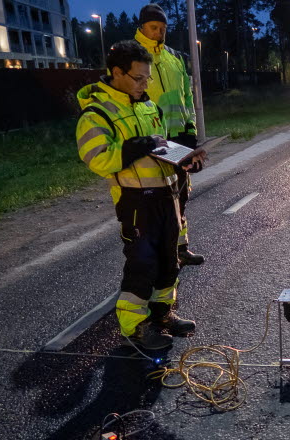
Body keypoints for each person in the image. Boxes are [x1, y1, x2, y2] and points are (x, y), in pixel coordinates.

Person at [76, 40, 200, 350]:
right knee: (142, 263)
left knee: (169, 260)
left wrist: (184, 160)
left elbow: (160, 149)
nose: (145, 84)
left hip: (166, 194)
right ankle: (135, 327)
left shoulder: (148, 105)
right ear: (117, 72)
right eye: (139, 78)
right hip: (135, 201)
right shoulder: (97, 113)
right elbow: (97, 158)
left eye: (147, 78)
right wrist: (132, 147)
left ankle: (162, 315)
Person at [135, 3, 205, 267]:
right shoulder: (134, 56)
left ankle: (181, 248)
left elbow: (186, 97)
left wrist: (191, 132)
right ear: (142, 26)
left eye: (163, 28)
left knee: (181, 194)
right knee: (157, 201)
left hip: (178, 140)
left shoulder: (174, 57)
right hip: (152, 143)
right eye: (154, 28)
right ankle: (160, 254)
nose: (159, 33)